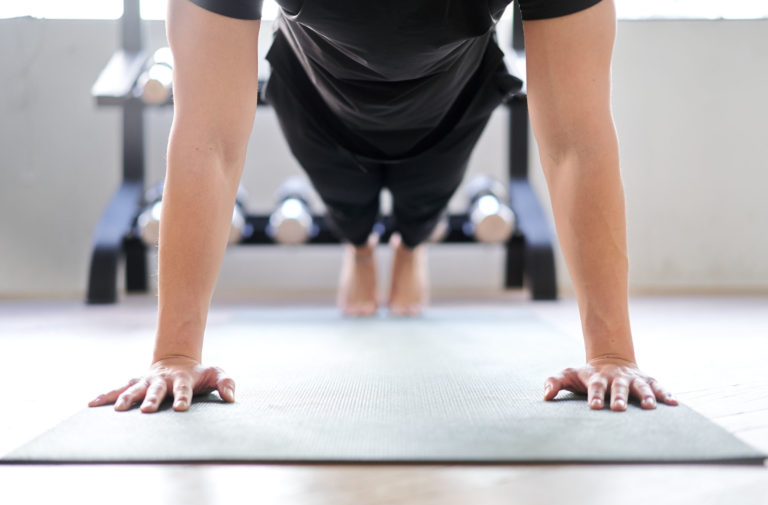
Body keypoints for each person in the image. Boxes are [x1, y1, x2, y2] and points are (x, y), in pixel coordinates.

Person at [89, 0, 679, 414]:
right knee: (348, 205)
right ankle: (361, 242)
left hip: (450, 104)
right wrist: (175, 354)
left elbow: (576, 140)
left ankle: (410, 243)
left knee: (423, 206)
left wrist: (610, 354)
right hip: (316, 97)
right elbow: (209, 140)